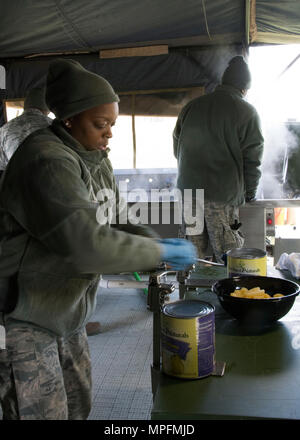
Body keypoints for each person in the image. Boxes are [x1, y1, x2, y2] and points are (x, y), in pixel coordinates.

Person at [0, 58, 197, 420]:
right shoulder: (46, 160)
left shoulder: (93, 156)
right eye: (100, 124)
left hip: (65, 307)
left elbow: (117, 217)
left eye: (112, 125)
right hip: (23, 315)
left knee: (78, 405)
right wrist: (156, 250)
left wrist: (152, 243)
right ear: (69, 119)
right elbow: (87, 245)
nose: (109, 134)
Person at [173, 55, 264, 263]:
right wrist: (249, 193)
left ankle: (187, 292)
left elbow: (177, 147)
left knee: (190, 253)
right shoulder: (247, 112)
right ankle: (228, 292)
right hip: (222, 194)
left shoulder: (191, 107)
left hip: (189, 191)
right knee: (227, 255)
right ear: (244, 88)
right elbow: (253, 160)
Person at [0, 87, 52, 175]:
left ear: (25, 105)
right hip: (50, 179)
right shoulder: (53, 125)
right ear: (47, 109)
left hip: (16, 183)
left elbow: (1, 165)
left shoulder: (4, 129)